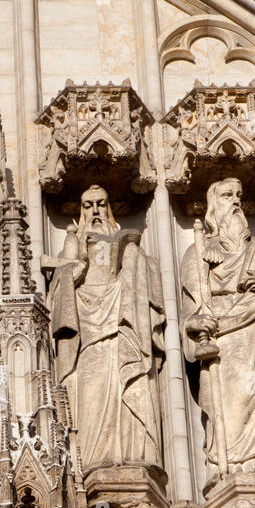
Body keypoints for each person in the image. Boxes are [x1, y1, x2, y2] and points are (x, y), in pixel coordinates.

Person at [180, 177, 255, 489]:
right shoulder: (197, 255)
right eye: (226, 195)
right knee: (232, 411)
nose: (235, 201)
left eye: (238, 195)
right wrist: (195, 324)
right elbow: (189, 315)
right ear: (212, 207)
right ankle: (230, 468)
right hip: (224, 346)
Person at [48, 184, 165, 474]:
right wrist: (78, 262)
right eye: (88, 206)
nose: (96, 211)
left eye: (101, 204)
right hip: (86, 327)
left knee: (127, 384)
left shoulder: (123, 241)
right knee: (91, 390)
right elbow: (60, 288)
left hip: (121, 320)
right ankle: (90, 462)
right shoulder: (73, 241)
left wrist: (135, 261)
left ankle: (130, 455)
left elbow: (146, 279)